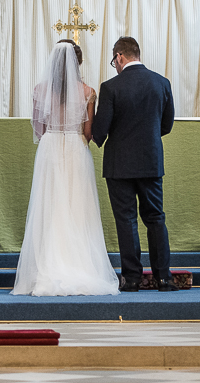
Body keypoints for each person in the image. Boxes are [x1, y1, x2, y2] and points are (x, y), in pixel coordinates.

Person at [11, 39, 120, 297]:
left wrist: (54, 135)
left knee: (49, 206)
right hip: (75, 149)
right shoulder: (88, 92)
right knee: (76, 208)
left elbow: (39, 129)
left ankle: (44, 267)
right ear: (77, 63)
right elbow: (88, 132)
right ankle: (79, 264)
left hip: (50, 149)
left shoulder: (39, 90)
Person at [90, 36, 177, 291]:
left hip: (119, 165)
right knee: (156, 218)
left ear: (119, 57)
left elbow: (99, 132)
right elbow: (167, 125)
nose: (114, 66)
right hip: (150, 161)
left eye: (113, 61)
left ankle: (132, 279)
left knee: (126, 220)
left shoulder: (111, 87)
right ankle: (164, 277)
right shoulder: (162, 83)